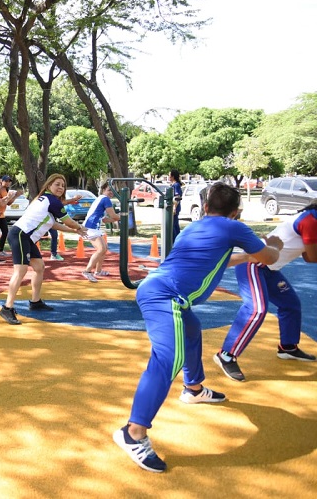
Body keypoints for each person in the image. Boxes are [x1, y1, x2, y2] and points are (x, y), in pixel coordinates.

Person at [113, 182, 282, 473]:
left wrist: (250, 253)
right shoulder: (233, 227)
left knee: (191, 331)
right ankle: (133, 432)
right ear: (236, 212)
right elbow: (270, 259)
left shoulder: (195, 228)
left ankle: (193, 389)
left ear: (205, 207)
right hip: (166, 297)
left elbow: (221, 259)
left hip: (157, 288)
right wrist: (273, 246)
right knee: (169, 358)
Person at [213, 201, 317, 382]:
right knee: (257, 309)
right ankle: (226, 355)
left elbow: (308, 256)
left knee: (290, 304)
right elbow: (313, 257)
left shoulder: (310, 219)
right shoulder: (310, 221)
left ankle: (288, 347)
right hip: (253, 264)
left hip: (268, 267)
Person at [0, 174, 87, 325]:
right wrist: (79, 227)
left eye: (63, 185)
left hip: (26, 237)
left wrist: (74, 230)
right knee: (20, 271)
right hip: (20, 234)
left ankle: (35, 301)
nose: (60, 188)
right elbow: (68, 221)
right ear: (48, 186)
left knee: (39, 267)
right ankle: (7, 307)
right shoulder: (52, 201)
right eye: (57, 184)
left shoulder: (47, 201)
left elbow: (53, 224)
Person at [81, 182, 121, 282]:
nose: (111, 192)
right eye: (109, 190)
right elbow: (113, 216)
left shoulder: (100, 199)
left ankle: (98, 271)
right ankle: (87, 271)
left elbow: (105, 220)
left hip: (94, 227)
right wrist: (122, 216)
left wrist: (117, 218)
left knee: (104, 248)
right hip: (90, 227)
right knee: (101, 249)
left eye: (113, 191)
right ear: (103, 190)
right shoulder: (105, 199)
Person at [0, 175, 23, 257]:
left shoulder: (5, 189)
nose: (8, 183)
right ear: (2, 181)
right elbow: (8, 202)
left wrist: (14, 196)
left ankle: (0, 251)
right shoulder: (2, 189)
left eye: (9, 181)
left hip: (1, 214)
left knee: (4, 232)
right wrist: (15, 196)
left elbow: (8, 202)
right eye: (6, 181)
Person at [169, 169, 183, 242]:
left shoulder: (176, 185)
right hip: (174, 207)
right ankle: (178, 240)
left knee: (173, 225)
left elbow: (177, 197)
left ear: (173, 176)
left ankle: (175, 240)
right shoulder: (173, 185)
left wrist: (174, 207)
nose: (169, 177)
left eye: (170, 175)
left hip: (175, 207)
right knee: (175, 224)